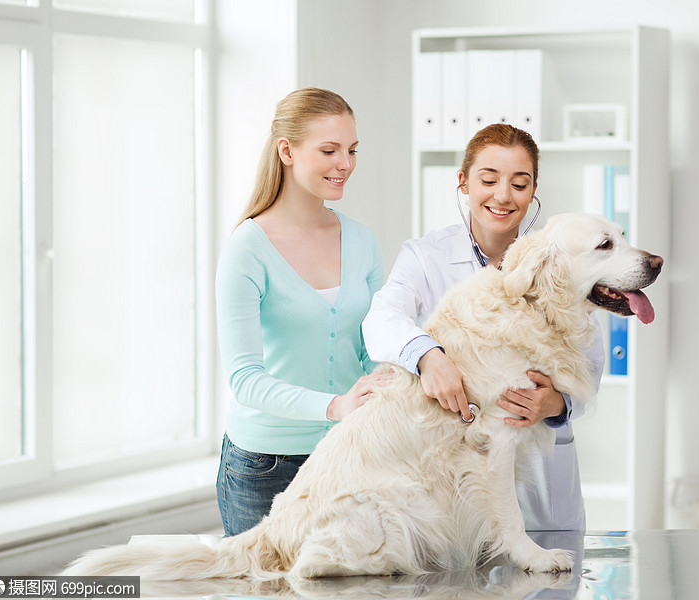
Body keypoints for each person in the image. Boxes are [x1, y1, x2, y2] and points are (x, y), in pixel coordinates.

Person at [362, 123, 604, 531]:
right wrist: (427, 356)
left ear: (534, 190)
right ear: (464, 183)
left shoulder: (564, 256)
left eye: (519, 183)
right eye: (488, 180)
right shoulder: (426, 257)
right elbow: (381, 319)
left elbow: (589, 361)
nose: (503, 196)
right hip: (453, 473)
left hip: (539, 482)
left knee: (550, 583)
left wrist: (557, 405)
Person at [215, 88, 389, 536]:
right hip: (265, 467)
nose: (345, 163)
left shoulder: (362, 240)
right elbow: (245, 380)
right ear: (287, 151)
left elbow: (373, 348)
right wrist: (336, 406)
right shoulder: (247, 249)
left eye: (351, 150)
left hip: (350, 454)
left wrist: (390, 382)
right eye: (329, 150)